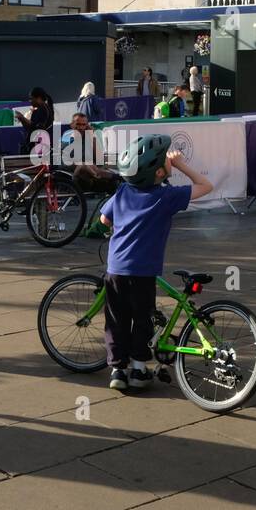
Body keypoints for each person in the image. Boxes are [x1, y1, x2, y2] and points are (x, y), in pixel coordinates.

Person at [98, 135, 212, 392]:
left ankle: (118, 370)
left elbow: (104, 220)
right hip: (144, 272)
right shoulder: (166, 197)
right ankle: (139, 369)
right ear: (159, 171)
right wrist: (181, 164)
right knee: (142, 318)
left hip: (116, 269)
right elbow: (206, 185)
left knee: (116, 320)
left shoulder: (123, 192)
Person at [13, 87, 54, 155]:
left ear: (38, 98)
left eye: (31, 98)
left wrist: (23, 118)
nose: (30, 101)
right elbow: (30, 128)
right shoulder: (38, 110)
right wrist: (22, 120)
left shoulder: (43, 109)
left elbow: (38, 127)